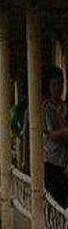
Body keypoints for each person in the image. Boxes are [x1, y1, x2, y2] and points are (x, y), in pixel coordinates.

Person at [42, 66, 68, 206]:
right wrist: (64, 132)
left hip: (65, 161)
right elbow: (48, 134)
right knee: (53, 202)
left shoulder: (66, 107)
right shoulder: (46, 108)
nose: (58, 88)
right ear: (49, 86)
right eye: (54, 84)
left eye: (60, 84)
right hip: (51, 161)